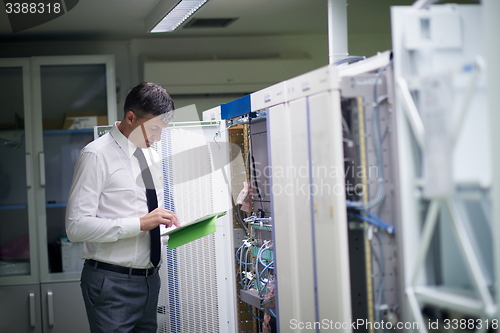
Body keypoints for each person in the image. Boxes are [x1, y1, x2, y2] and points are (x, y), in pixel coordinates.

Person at [66, 82, 179, 333]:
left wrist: (164, 222)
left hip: (150, 281)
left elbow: (147, 211)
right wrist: (139, 224)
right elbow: (75, 227)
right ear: (130, 117)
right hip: (111, 283)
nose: (159, 138)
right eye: (154, 129)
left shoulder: (150, 155)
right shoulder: (95, 155)